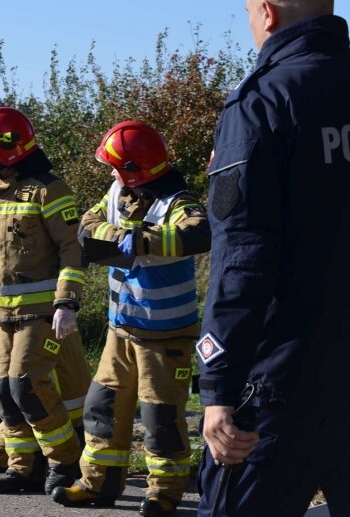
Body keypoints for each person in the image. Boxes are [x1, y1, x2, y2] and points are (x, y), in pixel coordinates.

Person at [197, 2, 350, 516]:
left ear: (265, 13)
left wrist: (218, 386)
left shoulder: (264, 101)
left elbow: (243, 256)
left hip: (284, 384)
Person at [52, 121, 210, 516]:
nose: (110, 174)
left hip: (164, 333)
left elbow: (199, 234)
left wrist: (141, 240)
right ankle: (98, 483)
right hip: (120, 328)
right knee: (102, 405)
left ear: (137, 169)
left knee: (160, 416)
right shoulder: (118, 193)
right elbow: (88, 225)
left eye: (116, 166)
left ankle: (165, 491)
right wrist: (115, 231)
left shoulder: (178, 202)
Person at [0, 106, 88, 495]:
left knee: (26, 384)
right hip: (3, 314)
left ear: (11, 149)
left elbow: (71, 251)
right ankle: (23, 468)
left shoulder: (50, 190)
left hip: (41, 312)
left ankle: (65, 461)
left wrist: (67, 302)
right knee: (1, 389)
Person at [0, 332, 90, 473]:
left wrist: (6, 414)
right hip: (76, 409)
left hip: (45, 411)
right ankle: (67, 449)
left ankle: (59, 457)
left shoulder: (24, 326)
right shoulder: (61, 321)